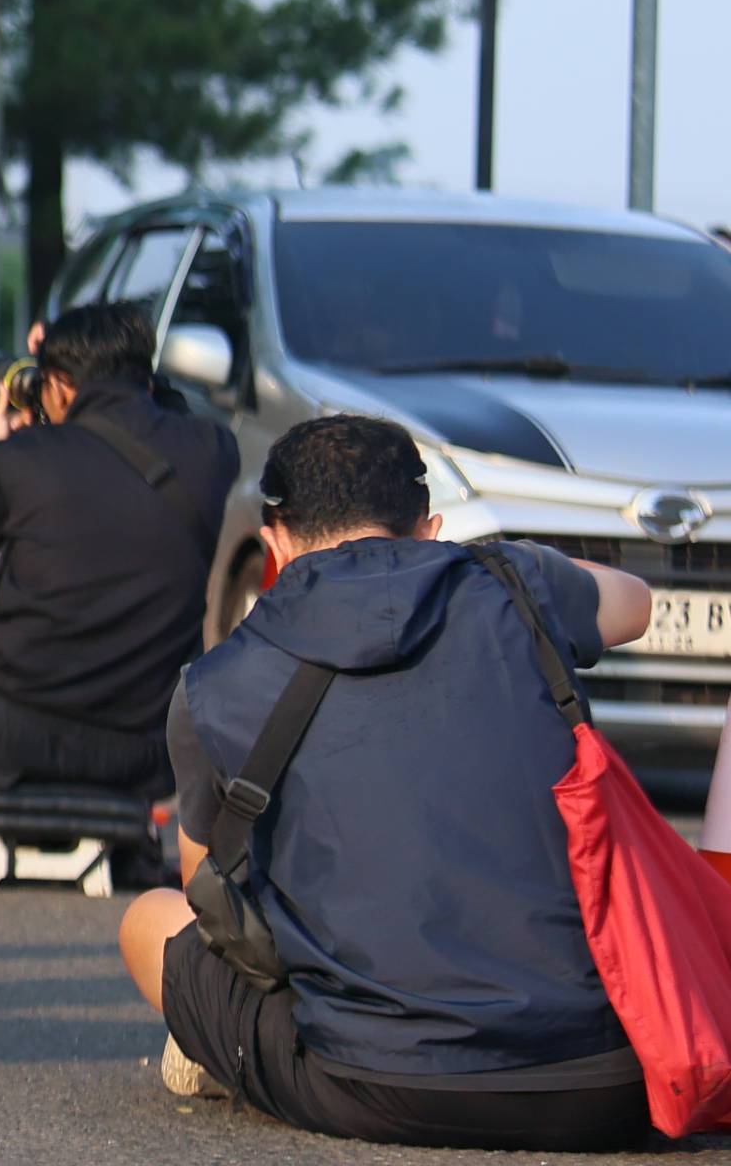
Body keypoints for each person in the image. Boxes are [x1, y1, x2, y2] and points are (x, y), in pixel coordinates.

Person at [121, 415, 655, 1151]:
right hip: (607, 1080)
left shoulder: (215, 687)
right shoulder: (514, 586)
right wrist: (506, 564)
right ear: (431, 529)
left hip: (380, 1082)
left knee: (147, 921)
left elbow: (212, 903)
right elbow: (635, 603)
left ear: (275, 545)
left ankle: (220, 1049)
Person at [0, 301, 237, 882]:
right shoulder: (213, 451)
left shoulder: (22, 458)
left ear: (57, 385)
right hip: (146, 747)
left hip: (8, 733)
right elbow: (169, 411)